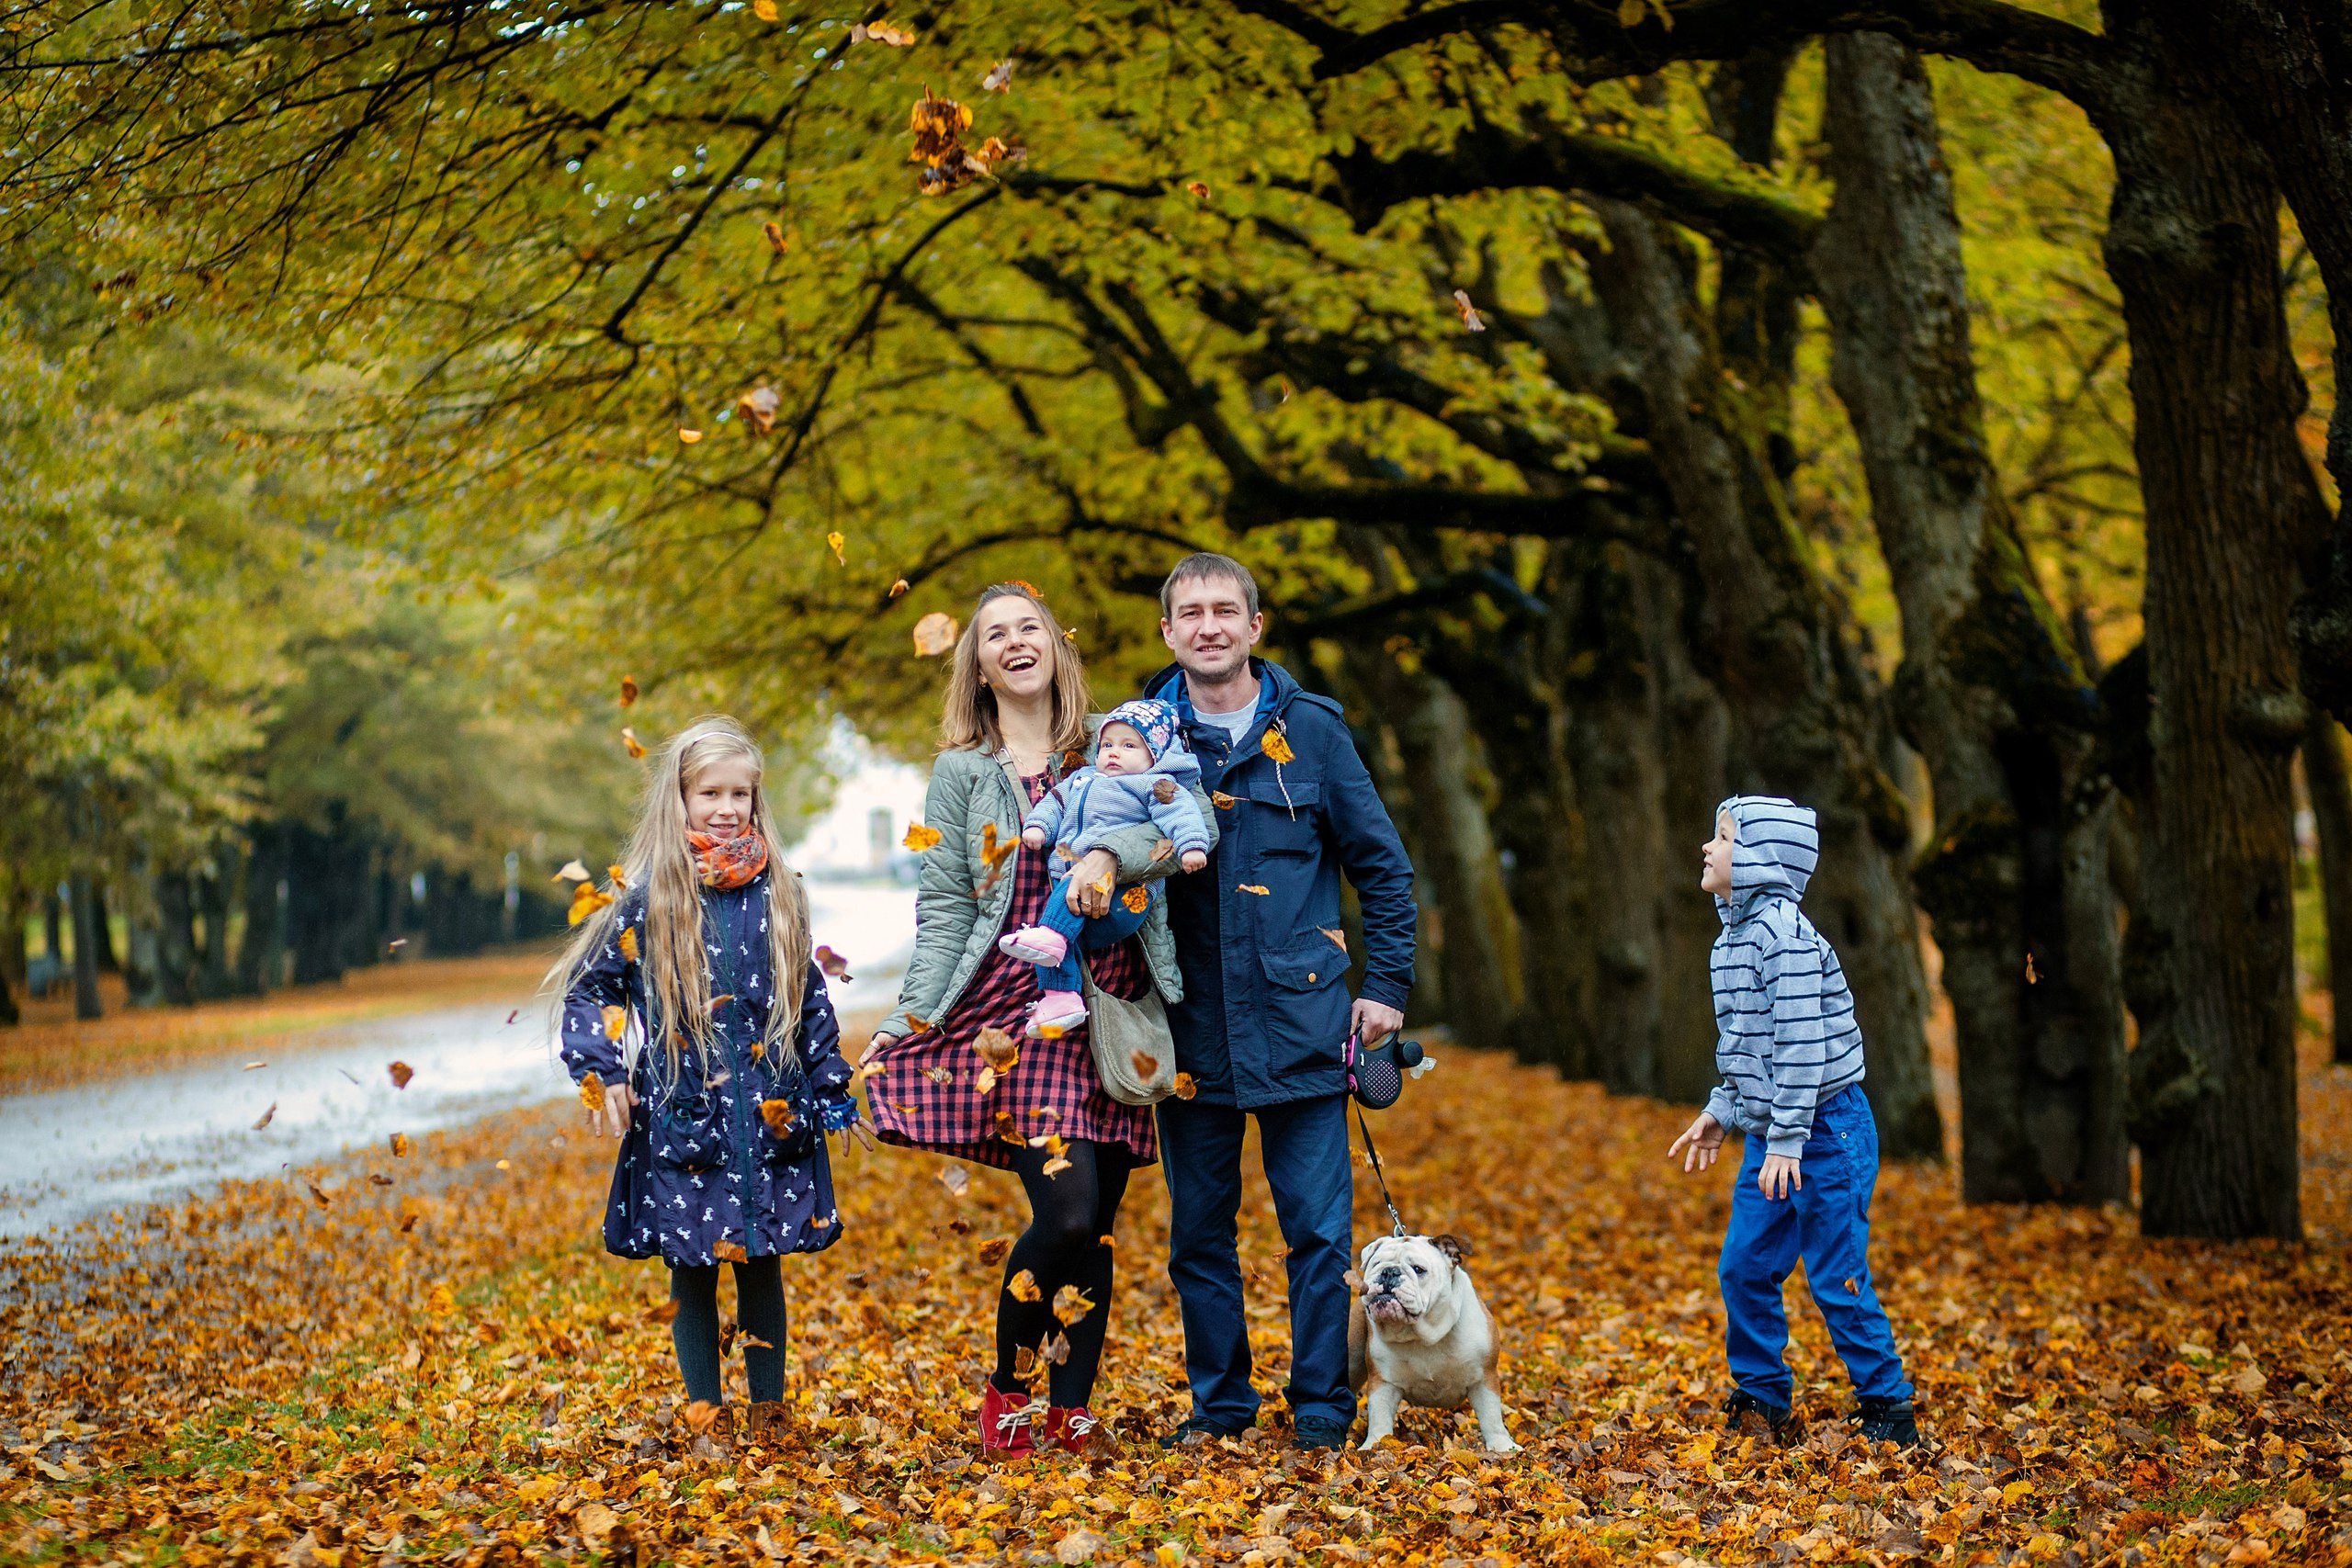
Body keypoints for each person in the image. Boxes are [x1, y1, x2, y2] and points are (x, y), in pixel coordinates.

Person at [1063, 552, 1417, 1450]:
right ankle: (1221, 1408)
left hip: (1302, 1021)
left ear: (1254, 627)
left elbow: (1380, 867)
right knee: (1198, 1241)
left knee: (1317, 1236)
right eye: (1191, 613)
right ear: (1167, 631)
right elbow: (1100, 867)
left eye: (1226, 610)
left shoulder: (1316, 732)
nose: (1209, 626)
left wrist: (1385, 988)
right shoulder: (1130, 743)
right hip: (1187, 1032)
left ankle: (1323, 1407)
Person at [865, 583, 1216, 1455]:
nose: (1015, 644)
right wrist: (912, 1011)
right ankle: (1007, 1392)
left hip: (1112, 1000)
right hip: (1014, 1012)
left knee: (1095, 1220)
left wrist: (1107, 850)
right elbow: (946, 902)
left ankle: (1072, 1407)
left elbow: (1174, 834)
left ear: (1055, 647)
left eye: (1030, 629)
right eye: (995, 636)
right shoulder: (962, 772)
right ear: (977, 665)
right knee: (1064, 1212)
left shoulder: (1116, 738)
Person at [548, 716, 867, 1450]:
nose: (727, 807)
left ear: (758, 801)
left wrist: (829, 1083)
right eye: (709, 792)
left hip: (769, 1118)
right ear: (680, 798)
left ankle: (769, 1412)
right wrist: (600, 1071)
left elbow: (809, 997)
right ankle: (705, 1414)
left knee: (761, 1263)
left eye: (741, 794)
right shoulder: (648, 899)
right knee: (692, 1268)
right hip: (684, 1119)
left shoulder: (780, 893)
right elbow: (592, 991)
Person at [1668, 795, 1920, 1449]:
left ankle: (1888, 1405)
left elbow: (1804, 1044)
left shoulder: (1784, 935)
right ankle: (1761, 1393)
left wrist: (1785, 1137)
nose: (1708, 847)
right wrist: (1722, 1112)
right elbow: (1749, 1048)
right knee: (1744, 1265)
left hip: (1827, 1130)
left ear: (1756, 859)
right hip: (1774, 1135)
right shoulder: (1731, 940)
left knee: (1836, 1274)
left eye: (1722, 838)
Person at [1000, 697, 1211, 1037]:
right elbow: (1055, 802)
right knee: (1061, 944)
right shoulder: (1083, 779)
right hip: (1076, 901)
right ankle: (1061, 1000)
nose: (1114, 752)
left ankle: (1051, 937)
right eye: (1108, 744)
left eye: (1129, 745)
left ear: (1153, 756)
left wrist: (1191, 846)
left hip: (1125, 895)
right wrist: (1039, 826)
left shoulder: (1152, 784)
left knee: (1056, 923)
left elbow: (1182, 814)